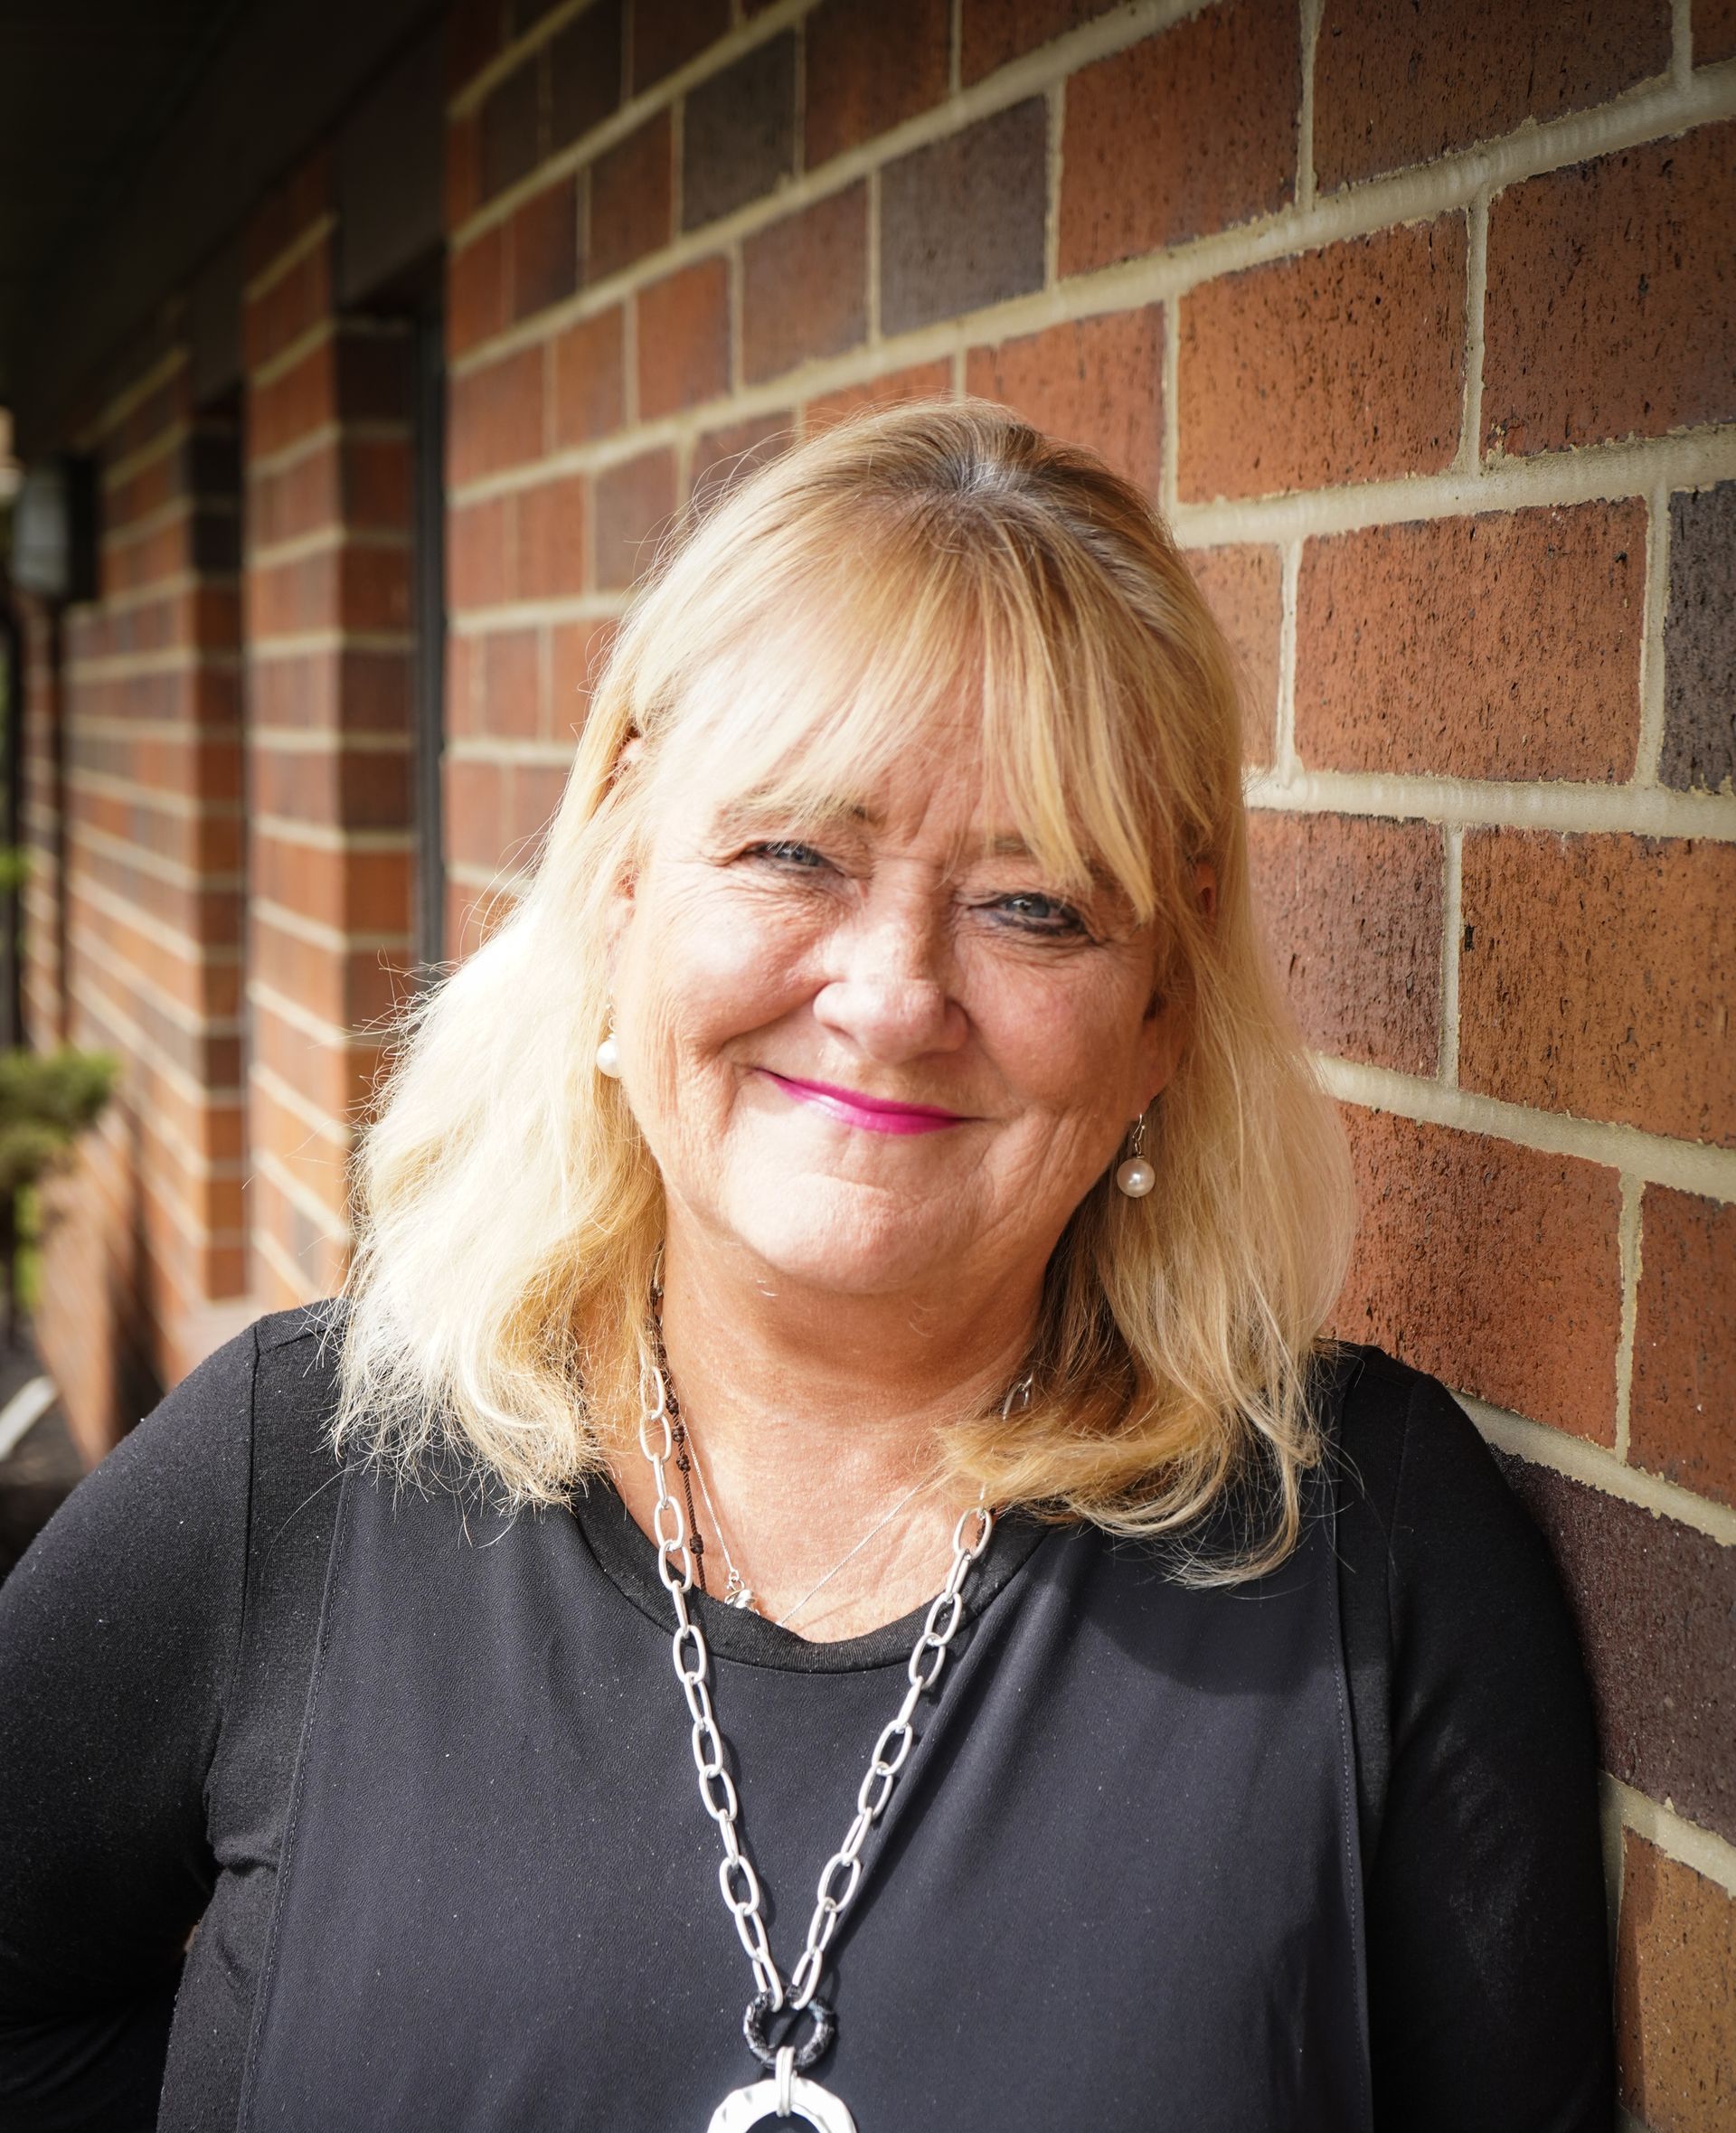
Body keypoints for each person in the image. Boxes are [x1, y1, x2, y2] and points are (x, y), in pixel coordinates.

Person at [0, 401, 1612, 2132]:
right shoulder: (302, 1472)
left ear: (1161, 1013)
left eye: (1035, 904)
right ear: (617, 894)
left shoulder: (1369, 1546)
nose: (893, 993)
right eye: (793, 853)